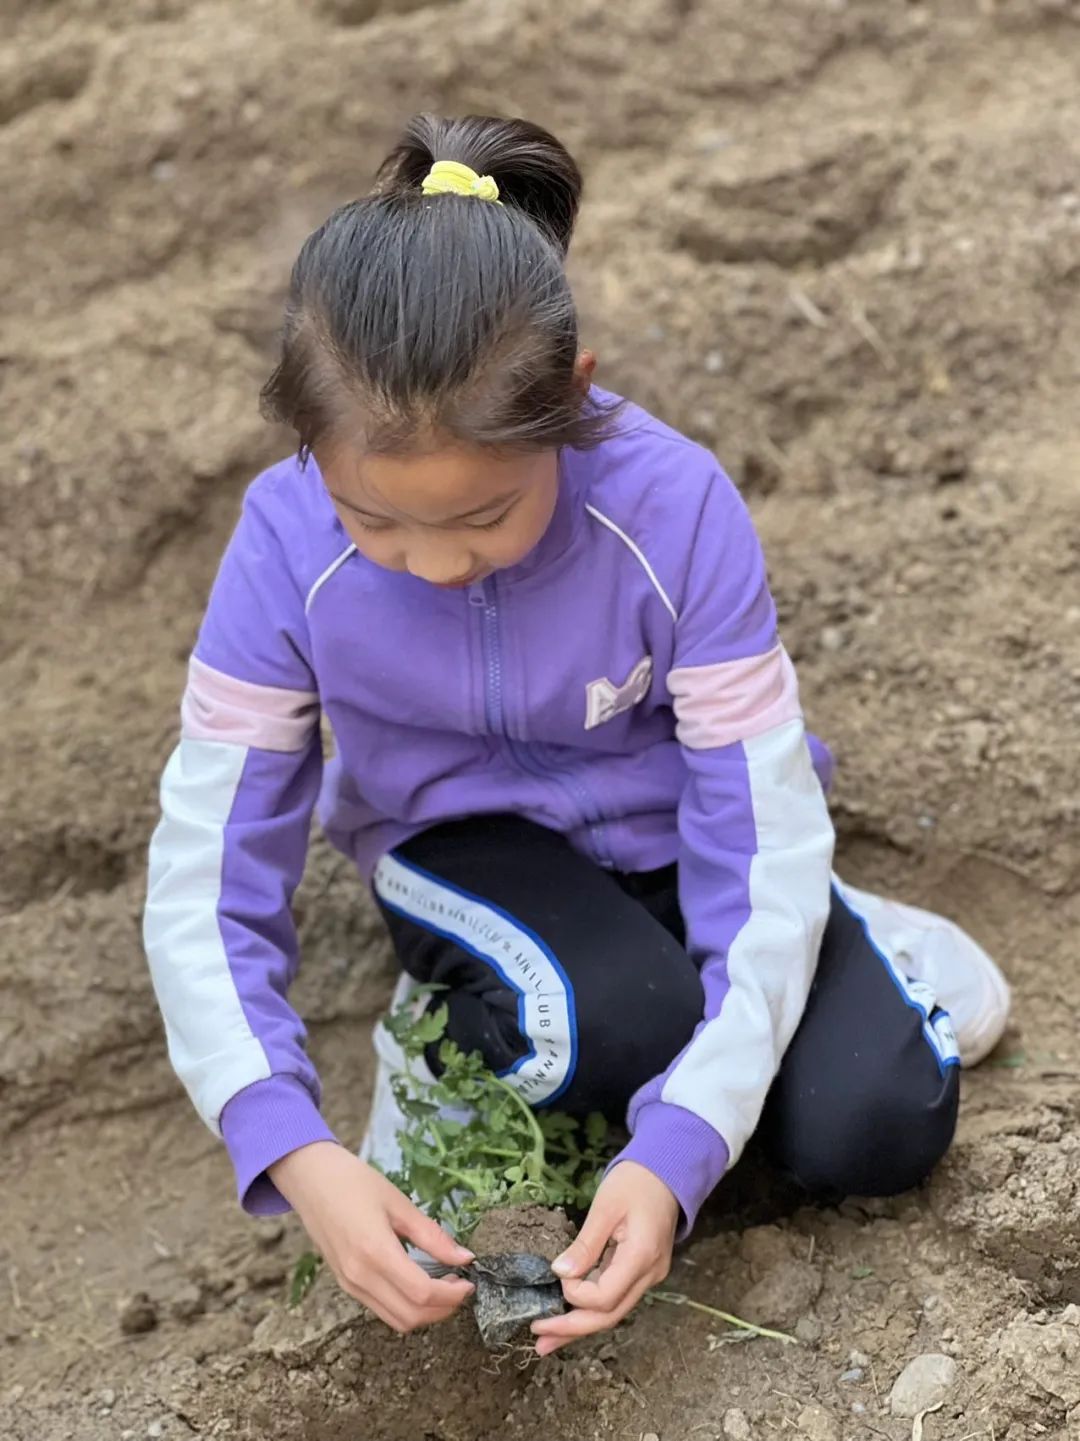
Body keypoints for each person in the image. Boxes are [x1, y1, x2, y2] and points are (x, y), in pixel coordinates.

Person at [143, 114, 1010, 1356]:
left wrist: (674, 1154)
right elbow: (205, 870)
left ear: (575, 397)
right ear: (305, 451)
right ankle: (449, 1045)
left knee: (874, 1127)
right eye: (372, 524)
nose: (432, 564)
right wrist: (286, 1141)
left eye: (485, 515)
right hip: (462, 844)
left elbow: (744, 807)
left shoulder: (674, 505)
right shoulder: (281, 544)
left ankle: (833, 918)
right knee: (617, 1017)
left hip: (681, 831)